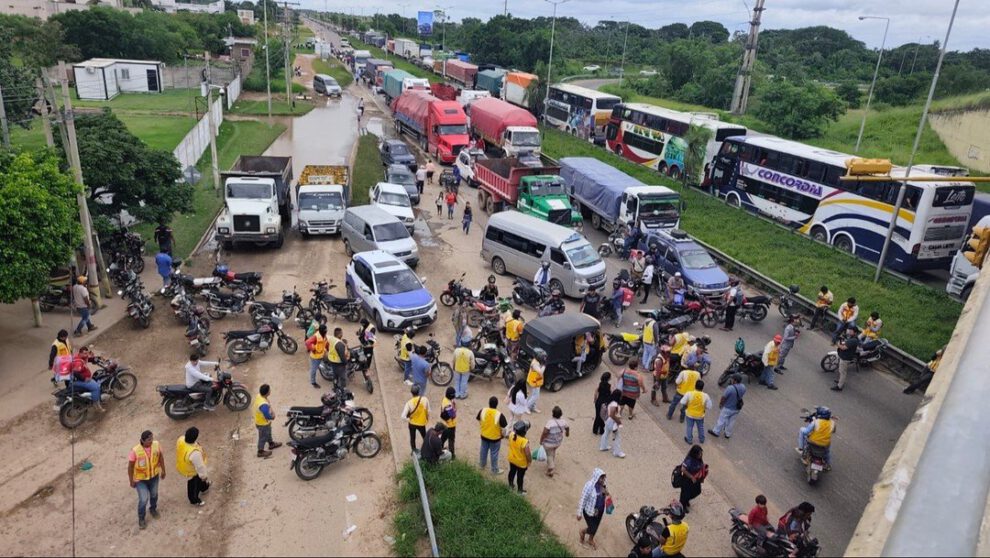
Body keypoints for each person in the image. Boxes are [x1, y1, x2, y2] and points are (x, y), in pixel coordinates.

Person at [128, 430, 165, 530]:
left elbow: (160, 457)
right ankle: (141, 518)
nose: (151, 441)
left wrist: (163, 470)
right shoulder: (135, 451)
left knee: (154, 494)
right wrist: (131, 480)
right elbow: (130, 467)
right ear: (142, 441)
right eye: (149, 440)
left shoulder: (156, 445)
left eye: (152, 438)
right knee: (143, 499)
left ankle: (153, 509)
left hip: (154, 477)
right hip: (141, 480)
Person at [176, 427, 209, 506]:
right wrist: (204, 476)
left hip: (183, 465)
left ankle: (204, 488)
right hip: (191, 471)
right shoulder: (194, 453)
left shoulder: (181, 440)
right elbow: (200, 467)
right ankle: (194, 500)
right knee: (194, 485)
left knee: (200, 481)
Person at [577, 468, 609, 550]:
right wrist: (579, 513)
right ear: (596, 477)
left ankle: (590, 539)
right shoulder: (589, 486)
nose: (603, 480)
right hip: (589, 511)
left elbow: (606, 494)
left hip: (599, 511)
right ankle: (582, 532)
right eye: (601, 478)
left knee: (596, 526)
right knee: (592, 527)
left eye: (604, 478)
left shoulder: (603, 485)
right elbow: (583, 498)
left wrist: (606, 493)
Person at [477, 396, 508, 474]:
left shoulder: (483, 410)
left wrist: (483, 427)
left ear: (489, 403)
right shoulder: (499, 415)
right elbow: (505, 428)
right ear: (497, 404)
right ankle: (494, 469)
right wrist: (503, 435)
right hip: (495, 439)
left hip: (484, 436)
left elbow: (478, 419)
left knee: (483, 450)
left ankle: (482, 465)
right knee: (494, 454)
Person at [709, 374, 745, 439]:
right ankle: (727, 434)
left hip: (728, 407)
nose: (731, 380)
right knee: (731, 421)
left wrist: (721, 404)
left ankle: (716, 432)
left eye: (732, 379)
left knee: (721, 420)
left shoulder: (730, 388)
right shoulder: (743, 387)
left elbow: (724, 397)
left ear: (735, 380)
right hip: (737, 408)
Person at [70, 346, 104, 411]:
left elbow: (89, 359)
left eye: (87, 353)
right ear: (80, 353)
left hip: (78, 380)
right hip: (78, 381)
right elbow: (75, 372)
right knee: (96, 387)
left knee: (95, 379)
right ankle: (96, 404)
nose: (86, 355)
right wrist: (84, 379)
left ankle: (93, 398)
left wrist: (97, 358)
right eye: (85, 353)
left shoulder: (81, 357)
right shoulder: (78, 362)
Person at [540, 406, 569, 477]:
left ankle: (551, 469)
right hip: (558, 442)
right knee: (552, 452)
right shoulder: (563, 421)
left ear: (553, 413)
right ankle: (551, 462)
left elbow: (545, 432)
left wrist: (541, 440)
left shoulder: (550, 422)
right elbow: (567, 428)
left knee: (549, 454)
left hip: (549, 443)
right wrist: (567, 433)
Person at [254, 384, 282, 458]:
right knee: (263, 437)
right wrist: (272, 417)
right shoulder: (263, 404)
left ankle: (271, 443)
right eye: (269, 390)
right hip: (262, 423)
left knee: (268, 432)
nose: (270, 391)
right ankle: (260, 451)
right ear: (267, 392)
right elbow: (267, 415)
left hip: (262, 421)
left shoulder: (259, 395)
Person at [680, 380, 712, 444]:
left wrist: (687, 404)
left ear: (695, 386)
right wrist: (703, 407)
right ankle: (702, 439)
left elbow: (682, 402)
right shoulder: (706, 396)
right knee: (700, 427)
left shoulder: (689, 393)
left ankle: (689, 440)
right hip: (700, 416)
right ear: (702, 387)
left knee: (689, 427)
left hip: (689, 414)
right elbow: (709, 406)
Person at [402, 385, 430, 454]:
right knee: (425, 437)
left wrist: (409, 420)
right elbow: (428, 411)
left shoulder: (409, 403)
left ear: (411, 393)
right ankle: (427, 449)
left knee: (412, 437)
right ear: (419, 392)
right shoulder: (425, 399)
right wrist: (427, 419)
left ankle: (413, 450)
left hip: (412, 424)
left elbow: (403, 416)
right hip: (422, 423)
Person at [678, 445, 706, 513]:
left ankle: (686, 500)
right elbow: (683, 469)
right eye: (699, 454)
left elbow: (701, 466)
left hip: (696, 479)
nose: (701, 455)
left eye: (701, 453)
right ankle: (682, 506)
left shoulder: (699, 459)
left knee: (697, 491)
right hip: (687, 480)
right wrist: (691, 477)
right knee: (685, 494)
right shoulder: (689, 460)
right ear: (694, 454)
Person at [507, 420, 532, 494]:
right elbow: (527, 453)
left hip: (512, 459)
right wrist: (530, 460)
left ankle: (510, 485)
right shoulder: (524, 441)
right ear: (524, 432)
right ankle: (520, 491)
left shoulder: (511, 434)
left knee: (512, 472)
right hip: (521, 463)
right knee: (520, 476)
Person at [599, 389, 626, 458]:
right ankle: (617, 452)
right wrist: (619, 422)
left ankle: (603, 446)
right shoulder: (615, 404)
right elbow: (612, 415)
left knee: (606, 433)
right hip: (612, 422)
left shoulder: (610, 401)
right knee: (617, 437)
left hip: (607, 420)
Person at [833, 326, 859, 392]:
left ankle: (839, 387)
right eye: (849, 330)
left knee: (842, 372)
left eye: (851, 331)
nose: (849, 331)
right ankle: (840, 381)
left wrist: (837, 344)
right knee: (841, 370)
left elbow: (843, 348)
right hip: (844, 356)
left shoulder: (853, 340)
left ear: (855, 332)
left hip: (845, 358)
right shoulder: (852, 338)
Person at [305, 324, 330, 389]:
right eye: (325, 330)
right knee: (314, 369)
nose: (326, 331)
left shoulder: (324, 335)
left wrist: (328, 349)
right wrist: (313, 349)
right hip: (315, 357)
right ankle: (313, 382)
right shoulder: (316, 336)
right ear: (322, 331)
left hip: (322, 354)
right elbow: (307, 342)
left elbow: (326, 343)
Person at [439, 387, 458, 457]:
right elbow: (453, 415)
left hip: (445, 424)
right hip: (450, 425)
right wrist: (455, 408)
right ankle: (452, 455)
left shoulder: (445, 400)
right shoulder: (448, 405)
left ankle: (439, 450)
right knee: (451, 440)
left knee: (443, 438)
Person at [526, 349, 546, 413]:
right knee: (535, 396)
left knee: (535, 395)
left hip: (537, 381)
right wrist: (544, 365)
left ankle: (533, 407)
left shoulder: (537, 361)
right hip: (534, 381)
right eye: (543, 356)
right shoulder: (534, 364)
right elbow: (540, 372)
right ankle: (526, 407)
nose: (544, 358)